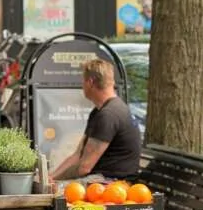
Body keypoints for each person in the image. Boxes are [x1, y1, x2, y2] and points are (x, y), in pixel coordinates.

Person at [51, 58, 142, 186]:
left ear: (90, 82)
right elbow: (77, 155)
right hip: (100, 180)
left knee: (55, 190)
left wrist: (55, 182)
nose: (82, 86)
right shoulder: (100, 111)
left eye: (83, 81)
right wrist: (51, 176)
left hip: (114, 184)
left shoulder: (108, 115)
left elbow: (84, 168)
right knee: (51, 186)